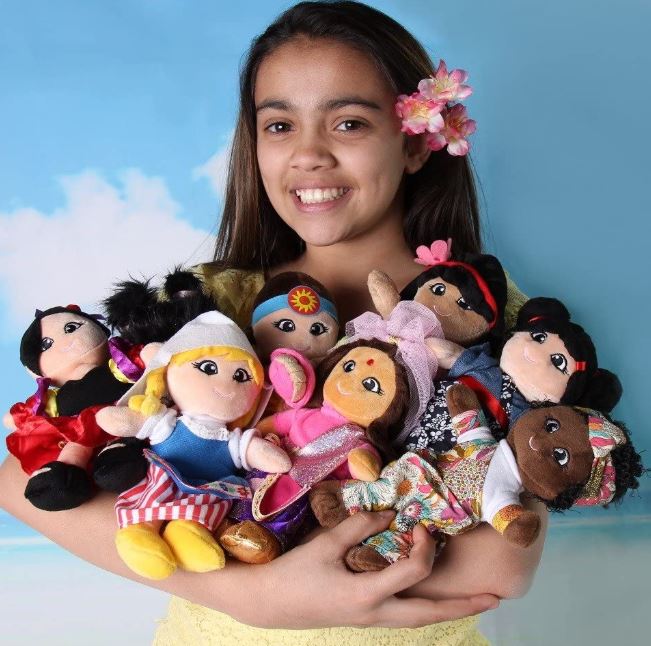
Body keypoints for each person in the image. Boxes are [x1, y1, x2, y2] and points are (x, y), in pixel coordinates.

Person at [0, 2, 546, 644]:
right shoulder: (207, 305)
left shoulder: (490, 315)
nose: (309, 155)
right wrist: (249, 594)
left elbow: (500, 566)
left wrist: (283, 577)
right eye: (280, 125)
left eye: (348, 123)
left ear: (415, 141)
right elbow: (21, 477)